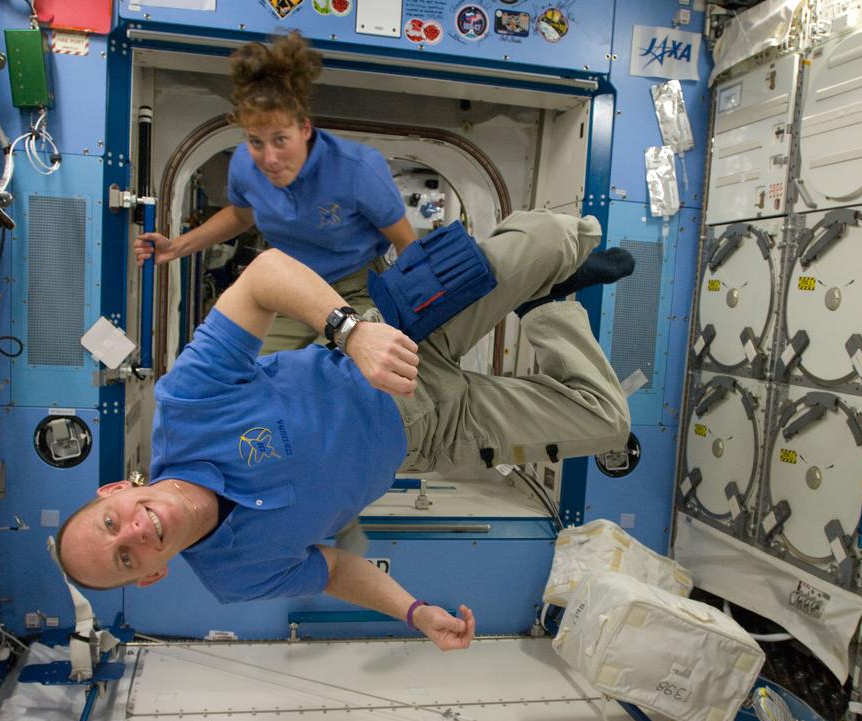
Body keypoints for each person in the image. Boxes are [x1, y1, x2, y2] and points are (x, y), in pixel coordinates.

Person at [57, 210, 634, 652]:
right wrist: (414, 612)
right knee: (607, 421)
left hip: (398, 338)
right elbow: (334, 570)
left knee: (567, 235)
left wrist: (350, 332)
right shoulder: (235, 577)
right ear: (154, 575)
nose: (132, 534)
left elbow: (264, 275)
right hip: (431, 433)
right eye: (126, 560)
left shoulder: (186, 405)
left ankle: (544, 267)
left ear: (115, 491)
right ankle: (549, 306)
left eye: (111, 523)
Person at [134, 31, 417, 354]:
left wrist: (412, 313)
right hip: (292, 288)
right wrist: (176, 247)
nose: (269, 158)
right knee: (254, 373)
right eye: (256, 142)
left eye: (280, 140)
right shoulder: (244, 165)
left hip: (358, 288)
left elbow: (407, 244)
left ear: (305, 129)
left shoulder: (358, 169)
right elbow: (241, 215)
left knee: (333, 378)